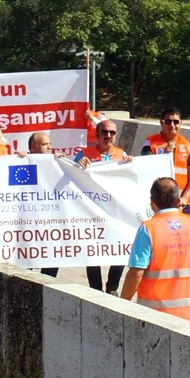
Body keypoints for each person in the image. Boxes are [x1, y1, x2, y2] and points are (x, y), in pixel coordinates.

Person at [120, 177, 190, 321]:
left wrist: (122, 304)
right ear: (178, 201)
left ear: (152, 202)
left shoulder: (148, 229)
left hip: (155, 314)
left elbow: (136, 273)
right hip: (189, 313)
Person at [77, 119, 131, 293]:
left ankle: (112, 287)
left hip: (115, 212)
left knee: (122, 246)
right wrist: (78, 165)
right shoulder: (84, 154)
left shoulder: (121, 155)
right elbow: (69, 174)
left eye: (112, 133)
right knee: (93, 251)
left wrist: (130, 165)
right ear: (97, 134)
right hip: (92, 211)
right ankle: (95, 289)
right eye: (104, 132)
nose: (108, 136)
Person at [140, 106, 190, 209]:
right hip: (159, 202)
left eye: (176, 122)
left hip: (182, 202)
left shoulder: (188, 146)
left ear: (181, 123)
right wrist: (164, 155)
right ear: (161, 122)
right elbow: (145, 170)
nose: (172, 125)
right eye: (168, 121)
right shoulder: (150, 143)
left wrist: (184, 198)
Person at [27, 131, 60, 277]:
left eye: (50, 144)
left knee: (52, 260)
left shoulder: (56, 162)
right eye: (45, 144)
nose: (50, 147)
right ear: (33, 147)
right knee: (27, 264)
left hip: (50, 221)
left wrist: (61, 163)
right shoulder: (22, 161)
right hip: (28, 223)